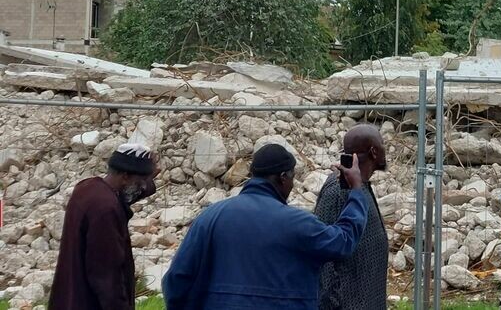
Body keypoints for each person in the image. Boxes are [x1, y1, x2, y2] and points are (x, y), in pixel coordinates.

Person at [163, 143, 368, 310]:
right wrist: (357, 191)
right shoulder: (297, 223)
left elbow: (176, 279)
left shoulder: (209, 217)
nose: (293, 186)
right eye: (292, 178)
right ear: (283, 178)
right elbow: (343, 241)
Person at [49, 142, 159, 310]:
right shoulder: (106, 210)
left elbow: (125, 196)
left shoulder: (87, 188)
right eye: (141, 181)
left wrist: (148, 180)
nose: (143, 186)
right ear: (125, 177)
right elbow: (107, 277)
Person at [313, 124, 389, 310]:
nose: (384, 149)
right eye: (382, 144)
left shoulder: (359, 186)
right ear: (373, 151)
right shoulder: (339, 190)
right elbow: (324, 257)